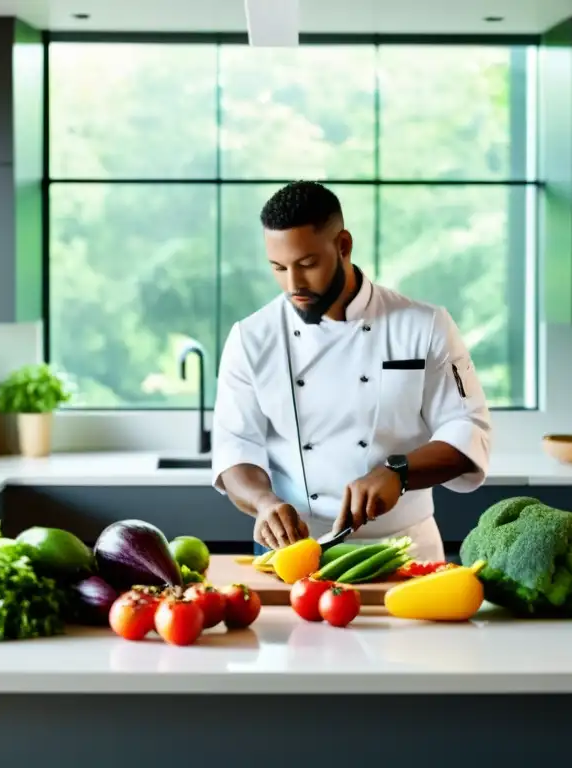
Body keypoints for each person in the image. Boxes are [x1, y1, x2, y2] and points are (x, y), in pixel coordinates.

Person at [210, 181, 492, 562]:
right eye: (279, 267)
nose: (294, 285)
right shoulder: (251, 338)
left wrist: (399, 472)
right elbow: (234, 448)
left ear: (343, 246)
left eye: (307, 264)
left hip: (405, 549)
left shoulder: (424, 325)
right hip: (294, 554)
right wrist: (263, 503)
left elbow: (467, 430)